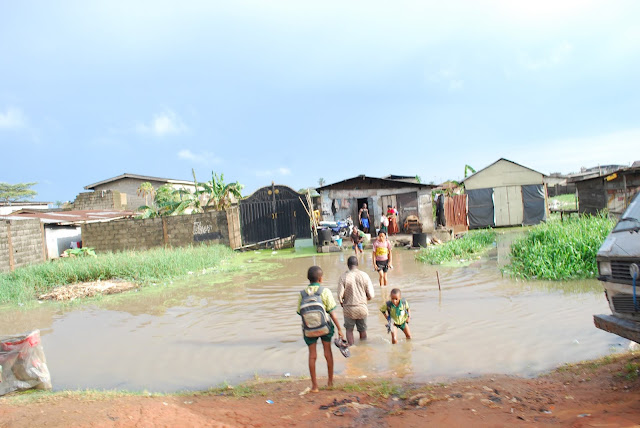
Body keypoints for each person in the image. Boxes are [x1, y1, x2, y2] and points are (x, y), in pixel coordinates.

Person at [297, 266, 345, 392]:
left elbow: (299, 312)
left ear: (308, 279)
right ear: (321, 278)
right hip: (325, 328)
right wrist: (340, 329)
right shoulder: (325, 292)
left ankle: (315, 386)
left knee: (312, 355)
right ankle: (330, 382)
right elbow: (332, 313)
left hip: (309, 330)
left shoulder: (302, 294)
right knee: (327, 353)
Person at [338, 256, 375, 345]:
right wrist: (365, 300)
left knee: (349, 330)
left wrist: (343, 303)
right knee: (362, 330)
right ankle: (363, 348)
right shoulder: (364, 275)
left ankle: (351, 347)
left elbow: (340, 296)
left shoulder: (343, 277)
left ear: (348, 265)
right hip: (362, 307)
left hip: (349, 308)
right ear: (357, 264)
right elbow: (371, 295)